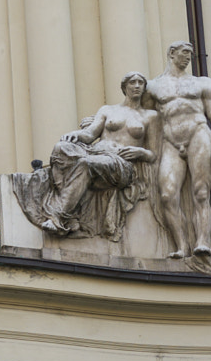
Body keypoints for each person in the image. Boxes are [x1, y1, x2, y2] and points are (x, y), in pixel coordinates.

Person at [13, 75, 161, 242]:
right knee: (60, 149)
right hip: (95, 152)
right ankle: (71, 210)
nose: (137, 86)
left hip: (122, 165)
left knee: (86, 164)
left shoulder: (151, 116)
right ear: (124, 87)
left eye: (141, 83)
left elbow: (154, 154)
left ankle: (58, 216)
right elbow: (90, 134)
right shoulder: (107, 110)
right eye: (132, 82)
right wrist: (74, 134)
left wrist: (140, 152)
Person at [145, 42, 211, 262]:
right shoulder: (153, 87)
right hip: (170, 141)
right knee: (167, 194)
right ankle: (181, 246)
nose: (188, 58)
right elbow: (141, 117)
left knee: (201, 192)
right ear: (171, 53)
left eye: (190, 54)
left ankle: (202, 241)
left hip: (198, 135)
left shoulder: (202, 83)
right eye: (184, 53)